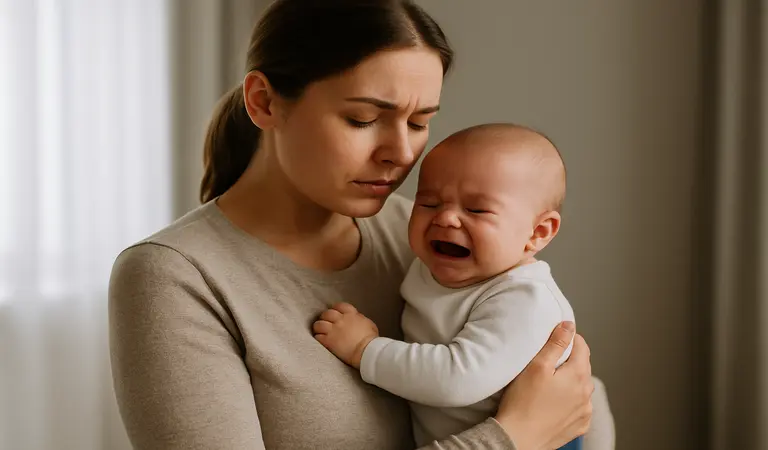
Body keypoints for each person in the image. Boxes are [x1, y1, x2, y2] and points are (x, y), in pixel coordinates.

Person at [108, 1, 607, 449]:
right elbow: (537, 419)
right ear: (263, 101)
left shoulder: (421, 233)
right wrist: (514, 437)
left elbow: (576, 397)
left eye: (419, 123)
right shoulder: (174, 278)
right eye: (363, 119)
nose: (402, 153)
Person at [312, 123, 589, 449]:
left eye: (476, 209)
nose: (445, 219)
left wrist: (365, 349)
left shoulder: (524, 300)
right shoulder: (429, 266)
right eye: (429, 203)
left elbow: (456, 380)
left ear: (538, 233)